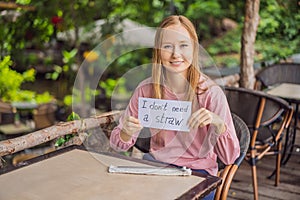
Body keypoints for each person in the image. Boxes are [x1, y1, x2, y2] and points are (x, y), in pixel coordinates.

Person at [110, 15, 240, 199]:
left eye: (183, 45)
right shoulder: (146, 90)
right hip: (156, 169)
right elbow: (116, 145)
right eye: (167, 46)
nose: (175, 54)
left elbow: (230, 158)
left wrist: (218, 123)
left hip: (198, 175)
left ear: (194, 48)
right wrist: (126, 132)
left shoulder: (210, 93)